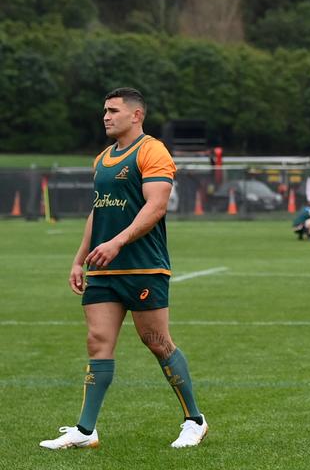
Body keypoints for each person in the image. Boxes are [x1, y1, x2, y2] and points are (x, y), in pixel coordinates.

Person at [40, 87, 208, 450]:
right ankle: (86, 431)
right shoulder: (100, 160)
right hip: (103, 269)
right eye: (104, 110)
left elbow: (156, 206)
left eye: (113, 110)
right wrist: (78, 258)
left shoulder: (152, 150)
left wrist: (118, 242)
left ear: (136, 116)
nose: (106, 116)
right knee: (98, 342)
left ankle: (194, 420)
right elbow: (97, 211)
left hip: (143, 265)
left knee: (157, 342)